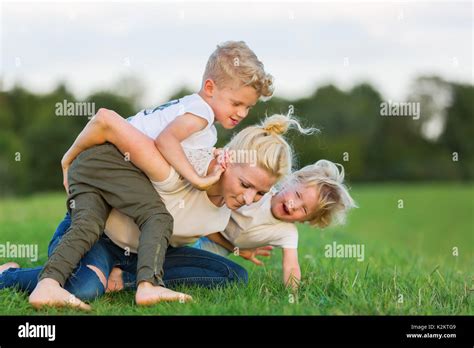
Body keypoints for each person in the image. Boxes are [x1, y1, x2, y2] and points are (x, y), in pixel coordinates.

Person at [28, 40, 274, 310]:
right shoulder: (201, 115)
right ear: (210, 88)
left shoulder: (194, 116)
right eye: (236, 103)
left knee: (90, 224)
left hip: (99, 167)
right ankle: (146, 286)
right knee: (154, 218)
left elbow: (203, 217)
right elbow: (166, 141)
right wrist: (198, 179)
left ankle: (51, 284)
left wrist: (237, 245)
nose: (241, 113)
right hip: (110, 162)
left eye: (248, 108)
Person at [0, 111, 313, 310]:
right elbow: (108, 124)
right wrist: (70, 159)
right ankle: (9, 276)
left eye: (260, 191)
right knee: (85, 288)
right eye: (245, 184)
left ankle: (128, 278)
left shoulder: (233, 208)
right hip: (100, 236)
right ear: (227, 160)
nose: (249, 198)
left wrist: (238, 247)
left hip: (145, 254)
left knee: (231, 274)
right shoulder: (183, 162)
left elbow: (202, 223)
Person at [192, 160, 357, 291]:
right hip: (198, 226)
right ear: (288, 182)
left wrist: (292, 294)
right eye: (297, 194)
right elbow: (205, 222)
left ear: (306, 220)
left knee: (212, 271)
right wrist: (240, 250)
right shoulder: (257, 194)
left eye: (304, 209)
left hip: (216, 249)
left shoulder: (287, 233)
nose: (293, 205)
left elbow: (291, 265)